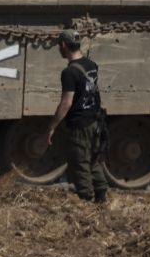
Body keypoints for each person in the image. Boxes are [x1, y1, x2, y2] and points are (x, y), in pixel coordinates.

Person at [46, 29, 108, 203]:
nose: (59, 48)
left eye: (59, 45)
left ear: (64, 45)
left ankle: (86, 200)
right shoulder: (92, 65)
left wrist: (52, 126)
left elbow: (66, 103)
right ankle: (101, 194)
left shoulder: (69, 72)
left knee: (79, 162)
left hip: (80, 124)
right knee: (93, 159)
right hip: (95, 121)